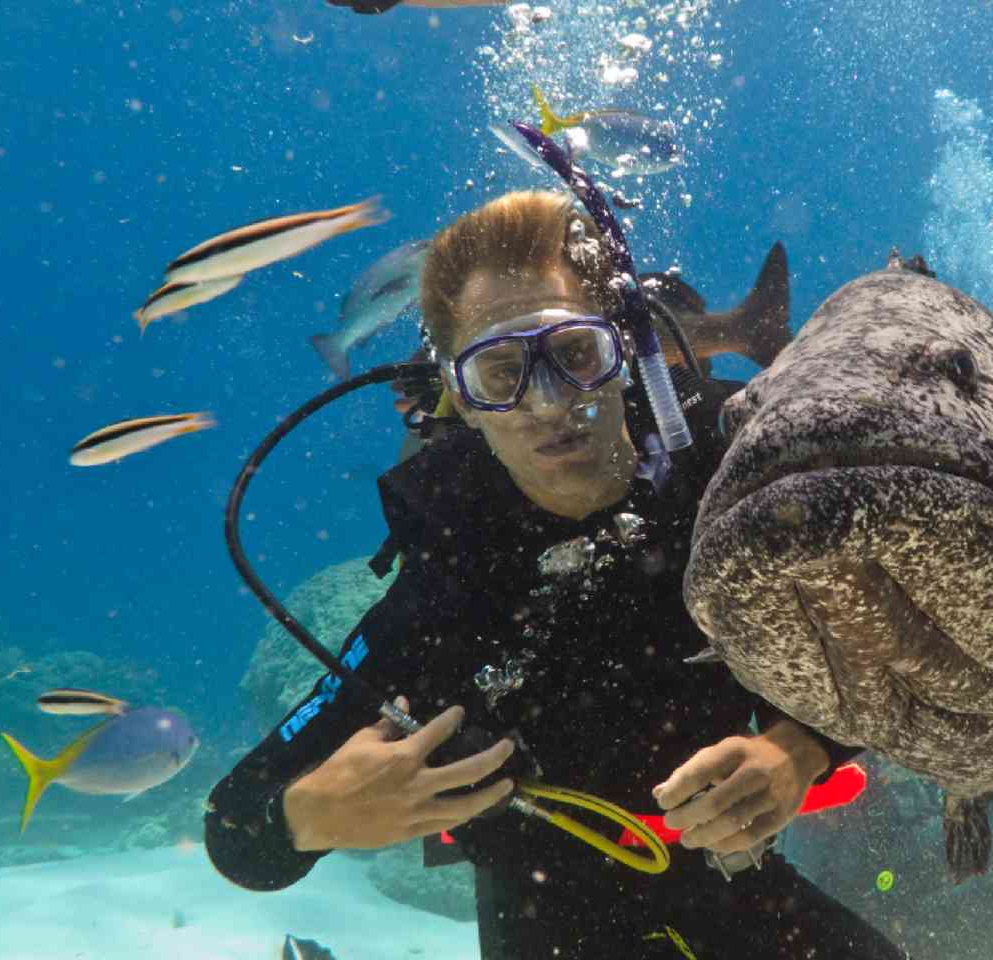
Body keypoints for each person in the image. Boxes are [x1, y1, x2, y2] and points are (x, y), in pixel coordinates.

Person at [205, 190, 906, 960]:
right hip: (539, 919)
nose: (545, 403)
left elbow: (885, 654)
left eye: (573, 355)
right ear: (459, 400)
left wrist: (799, 751)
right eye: (499, 372)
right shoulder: (450, 581)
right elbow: (236, 831)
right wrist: (311, 815)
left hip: (734, 886)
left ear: (624, 353)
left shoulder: (726, 498)